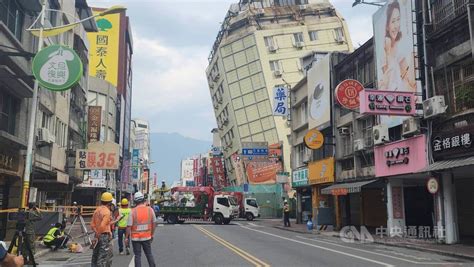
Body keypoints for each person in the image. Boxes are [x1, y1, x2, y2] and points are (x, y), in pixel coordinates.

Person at [380, 0, 416, 92]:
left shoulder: (400, 46)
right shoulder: (384, 52)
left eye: (398, 19)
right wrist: (388, 52)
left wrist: (413, 56)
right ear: (387, 26)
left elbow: (408, 76)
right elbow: (387, 81)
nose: (397, 25)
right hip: (392, 98)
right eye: (393, 21)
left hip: (403, 96)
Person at [126, 192, 156, 267]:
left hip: (136, 238)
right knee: (149, 254)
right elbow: (154, 223)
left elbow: (129, 226)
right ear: (143, 200)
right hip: (147, 237)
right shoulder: (150, 210)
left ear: (135, 201)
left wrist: (126, 237)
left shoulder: (132, 211)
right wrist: (152, 234)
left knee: (137, 255)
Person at [91, 192, 114, 267]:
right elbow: (103, 225)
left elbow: (92, 224)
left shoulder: (97, 210)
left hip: (96, 235)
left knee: (95, 255)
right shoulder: (107, 212)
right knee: (102, 257)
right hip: (103, 235)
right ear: (110, 203)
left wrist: (96, 234)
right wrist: (99, 234)